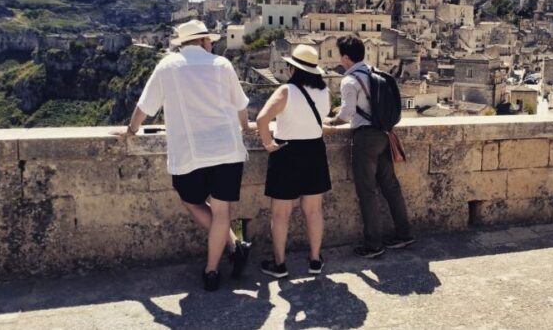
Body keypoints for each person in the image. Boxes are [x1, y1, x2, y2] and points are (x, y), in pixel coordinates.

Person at [117, 20, 253, 292]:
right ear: (203, 41)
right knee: (222, 211)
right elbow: (240, 105)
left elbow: (145, 106)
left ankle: (221, 261)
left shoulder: (168, 65)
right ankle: (221, 261)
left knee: (192, 202)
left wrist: (131, 130)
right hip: (226, 147)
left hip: (189, 151)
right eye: (210, 40)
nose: (212, 44)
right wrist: (246, 129)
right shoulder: (222, 65)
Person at [323, 35, 414, 258]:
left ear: (345, 57)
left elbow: (346, 114)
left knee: (367, 191)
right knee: (390, 186)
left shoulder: (350, 80)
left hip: (365, 138)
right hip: (384, 133)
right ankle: (404, 233)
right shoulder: (375, 72)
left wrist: (329, 122)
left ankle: (373, 244)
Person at [256, 44, 332, 278]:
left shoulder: (286, 91)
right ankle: (315, 260)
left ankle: (279, 264)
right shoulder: (325, 91)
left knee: (280, 214)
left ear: (293, 69)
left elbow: (261, 119)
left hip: (287, 152)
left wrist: (268, 144)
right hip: (315, 151)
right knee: (314, 211)